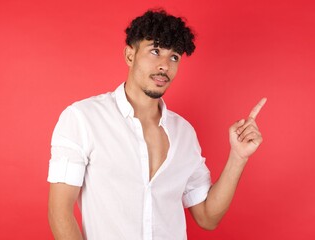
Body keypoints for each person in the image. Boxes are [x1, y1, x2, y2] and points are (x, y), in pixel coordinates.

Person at [47, 9, 266, 240]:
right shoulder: (83, 118)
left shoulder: (184, 133)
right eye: (155, 51)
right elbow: (59, 211)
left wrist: (238, 157)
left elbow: (207, 218)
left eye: (174, 57)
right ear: (130, 56)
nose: (165, 65)